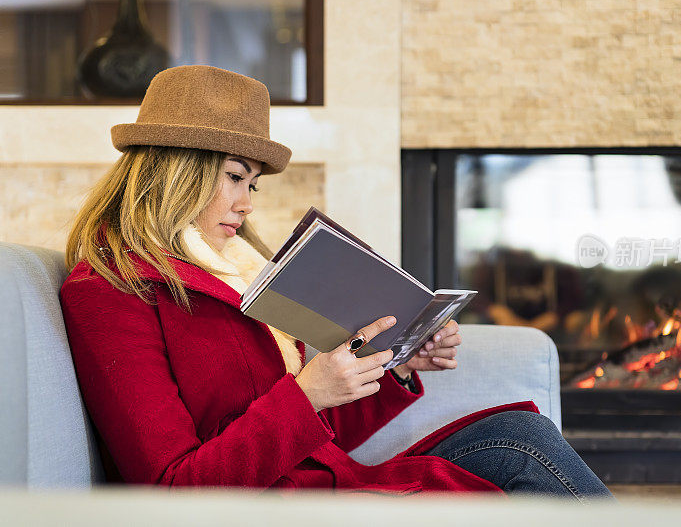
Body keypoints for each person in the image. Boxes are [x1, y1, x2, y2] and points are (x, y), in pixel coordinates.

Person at [59, 65, 613, 500]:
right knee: (522, 456)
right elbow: (170, 489)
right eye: (234, 178)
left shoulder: (236, 274)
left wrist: (389, 361)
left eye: (253, 186)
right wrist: (308, 393)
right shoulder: (109, 290)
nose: (246, 206)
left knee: (521, 436)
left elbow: (324, 440)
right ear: (177, 169)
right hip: (278, 507)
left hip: (326, 482)